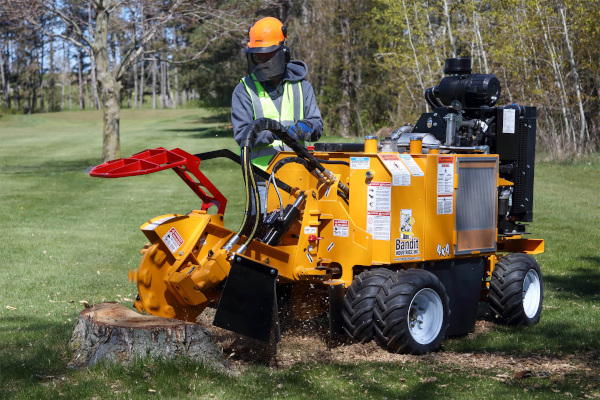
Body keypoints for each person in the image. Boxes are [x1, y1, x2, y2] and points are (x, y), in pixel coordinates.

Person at [231, 16, 323, 213]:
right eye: (258, 56)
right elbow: (243, 136)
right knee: (263, 238)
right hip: (262, 179)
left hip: (298, 177)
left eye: (267, 55)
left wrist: (299, 130)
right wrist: (276, 132)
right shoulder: (244, 90)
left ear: (282, 53)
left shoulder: (302, 86)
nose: (262, 61)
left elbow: (316, 125)